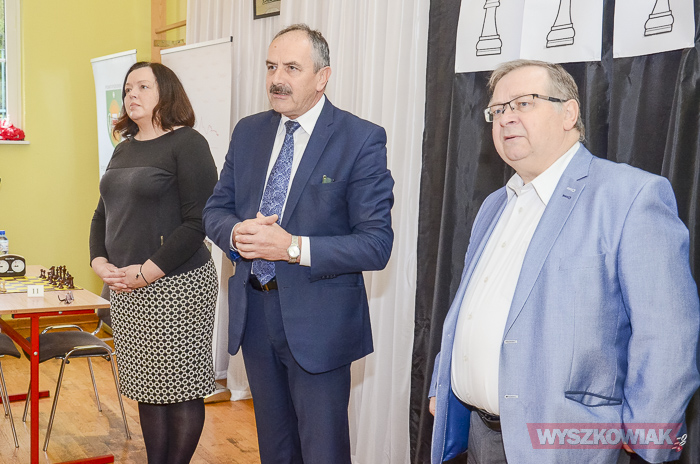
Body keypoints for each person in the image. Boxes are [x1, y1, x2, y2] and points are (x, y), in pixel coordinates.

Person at [429, 59, 700, 464]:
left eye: (523, 103)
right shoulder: (493, 206)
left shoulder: (630, 196)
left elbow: (668, 332)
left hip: (567, 446)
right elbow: (471, 308)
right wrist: (443, 382)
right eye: (497, 110)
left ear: (569, 113)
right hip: (481, 435)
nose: (506, 118)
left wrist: (647, 435)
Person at [203, 24, 394, 464]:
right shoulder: (248, 132)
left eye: (291, 68)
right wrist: (236, 234)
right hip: (255, 316)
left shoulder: (360, 138)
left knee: (322, 452)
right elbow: (216, 210)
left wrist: (291, 248)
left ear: (322, 77)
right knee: (276, 449)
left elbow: (375, 244)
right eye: (271, 67)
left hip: (319, 325)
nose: (277, 79)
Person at [89, 61, 218, 464]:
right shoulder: (123, 148)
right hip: (127, 289)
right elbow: (101, 214)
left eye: (143, 86)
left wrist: (147, 272)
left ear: (167, 92)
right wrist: (99, 261)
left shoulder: (188, 143)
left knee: (180, 388)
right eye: (128, 88)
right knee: (148, 387)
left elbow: (199, 222)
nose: (132, 94)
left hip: (177, 286)